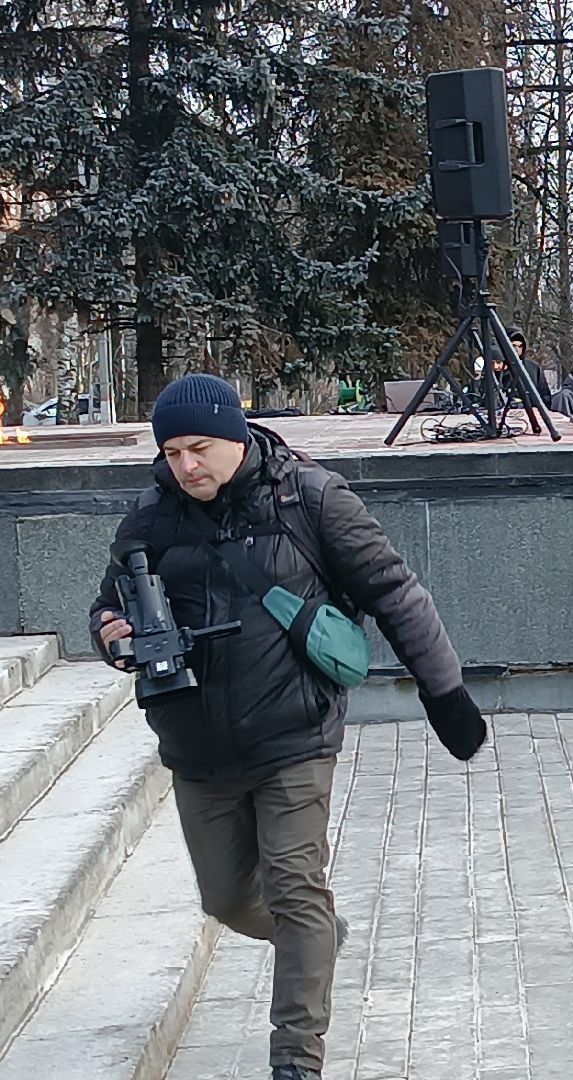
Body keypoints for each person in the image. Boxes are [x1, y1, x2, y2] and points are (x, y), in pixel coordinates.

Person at [90, 374, 486, 1080]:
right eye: (173, 452)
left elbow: (395, 593)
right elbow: (106, 604)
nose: (187, 466)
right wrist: (112, 633)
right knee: (228, 900)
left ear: (236, 437)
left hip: (293, 735)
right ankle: (316, 941)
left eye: (200, 448)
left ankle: (295, 1062)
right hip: (195, 747)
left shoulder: (310, 498)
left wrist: (444, 692)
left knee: (296, 885)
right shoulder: (151, 518)